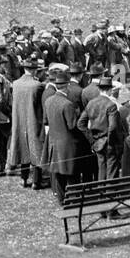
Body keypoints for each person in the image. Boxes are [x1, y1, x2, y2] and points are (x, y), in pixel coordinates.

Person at [43, 72, 89, 205]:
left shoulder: (48, 101)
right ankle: (75, 200)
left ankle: (62, 200)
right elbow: (72, 126)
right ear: (67, 85)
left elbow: (46, 121)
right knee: (72, 174)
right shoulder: (67, 104)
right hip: (68, 144)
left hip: (53, 142)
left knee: (58, 174)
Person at [6, 58, 48, 189]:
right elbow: (41, 105)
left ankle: (23, 178)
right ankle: (36, 181)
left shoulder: (16, 84)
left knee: (23, 148)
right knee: (35, 149)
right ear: (35, 70)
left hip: (19, 121)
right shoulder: (38, 85)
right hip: (34, 120)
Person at [77, 74, 128, 180]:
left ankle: (101, 193)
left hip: (97, 142)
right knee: (111, 171)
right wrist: (110, 141)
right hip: (110, 142)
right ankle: (109, 194)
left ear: (99, 89)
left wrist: (92, 140)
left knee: (102, 169)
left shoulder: (91, 103)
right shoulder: (111, 105)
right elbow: (113, 126)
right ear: (110, 90)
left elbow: (80, 124)